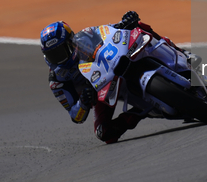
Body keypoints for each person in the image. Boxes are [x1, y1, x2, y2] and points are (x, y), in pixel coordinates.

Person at [40, 11, 193, 144]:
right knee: (104, 133)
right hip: (100, 93)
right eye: (53, 55)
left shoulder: (86, 36)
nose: (59, 59)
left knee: (137, 25)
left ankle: (181, 53)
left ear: (71, 42)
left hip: (113, 65)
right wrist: (84, 102)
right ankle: (140, 112)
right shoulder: (57, 81)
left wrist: (125, 22)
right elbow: (75, 116)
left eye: (61, 52)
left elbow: (110, 30)